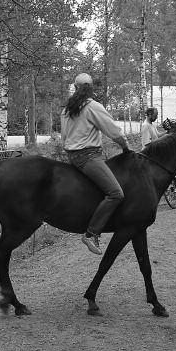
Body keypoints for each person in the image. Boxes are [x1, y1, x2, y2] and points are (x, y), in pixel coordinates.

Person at [60, 73, 131, 255]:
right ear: (91, 88)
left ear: (75, 88)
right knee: (116, 193)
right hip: (88, 157)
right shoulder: (92, 106)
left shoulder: (67, 109)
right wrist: (125, 147)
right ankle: (91, 234)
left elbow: (64, 139)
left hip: (72, 156)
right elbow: (114, 132)